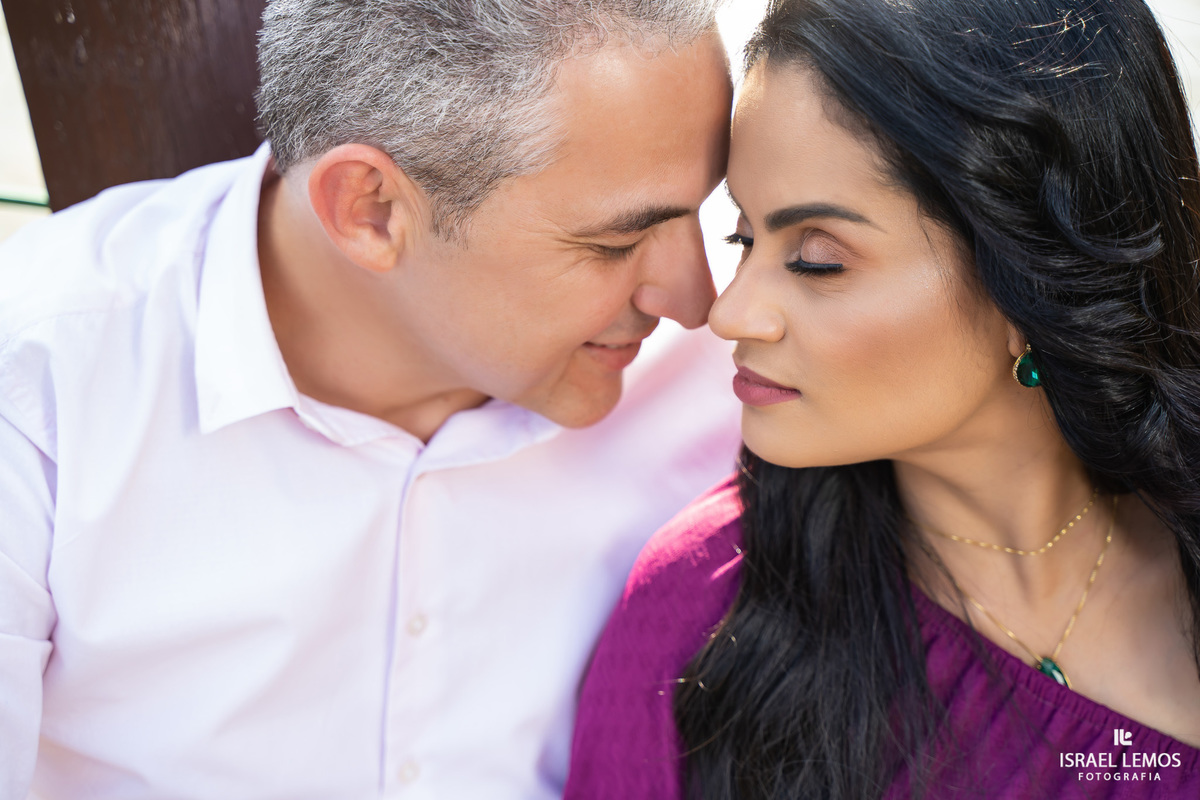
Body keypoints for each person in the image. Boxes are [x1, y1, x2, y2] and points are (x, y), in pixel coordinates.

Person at [0, 2, 743, 797]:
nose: (699, 302)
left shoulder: (739, 371)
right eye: (616, 244)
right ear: (370, 209)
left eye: (709, 217)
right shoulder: (40, 383)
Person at [565, 0, 1200, 797]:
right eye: (746, 239)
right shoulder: (700, 619)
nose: (728, 311)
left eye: (819, 260)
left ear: (1029, 280)